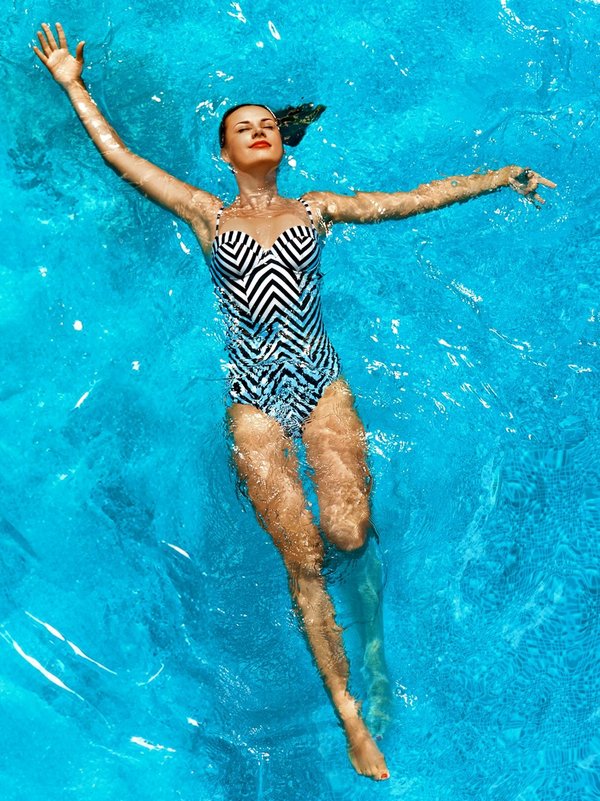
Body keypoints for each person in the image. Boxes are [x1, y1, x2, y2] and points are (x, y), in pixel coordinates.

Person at [32, 22, 556, 782]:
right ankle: (349, 715)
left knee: (348, 531)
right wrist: (74, 83)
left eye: (268, 125)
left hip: (321, 384)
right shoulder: (207, 215)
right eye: (242, 128)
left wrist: (499, 174)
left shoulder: (315, 209)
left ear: (283, 145)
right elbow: (121, 159)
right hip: (254, 400)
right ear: (224, 154)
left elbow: (410, 200)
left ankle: (373, 651)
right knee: (302, 553)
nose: (257, 132)